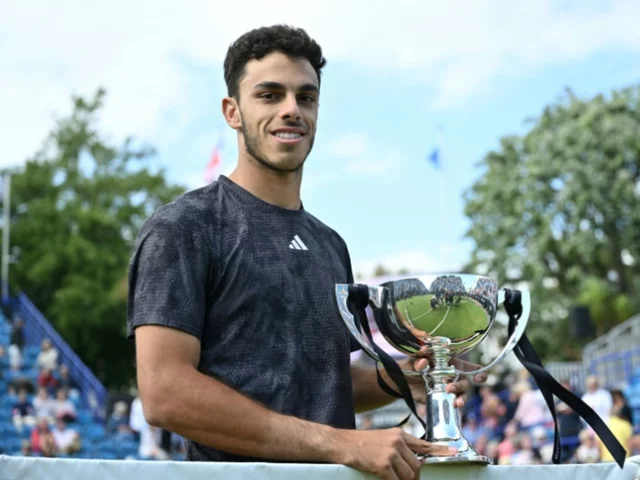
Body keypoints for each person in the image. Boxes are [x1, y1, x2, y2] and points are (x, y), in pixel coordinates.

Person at [127, 25, 482, 480]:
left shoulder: (331, 245)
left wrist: (403, 381)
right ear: (232, 112)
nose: (291, 110)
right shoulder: (184, 227)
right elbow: (165, 393)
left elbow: (319, 384)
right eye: (270, 95)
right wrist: (340, 444)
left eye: (306, 97)